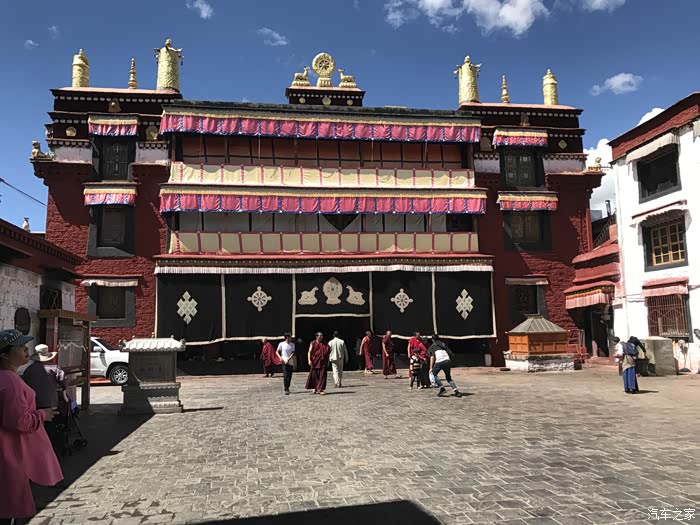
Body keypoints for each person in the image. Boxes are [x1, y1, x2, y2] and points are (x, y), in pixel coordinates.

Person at [0, 330, 63, 524]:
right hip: (10, 452)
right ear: (5, 355)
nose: (26, 350)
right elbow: (20, 421)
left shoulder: (14, 376)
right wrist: (43, 415)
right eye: (21, 348)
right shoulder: (11, 382)